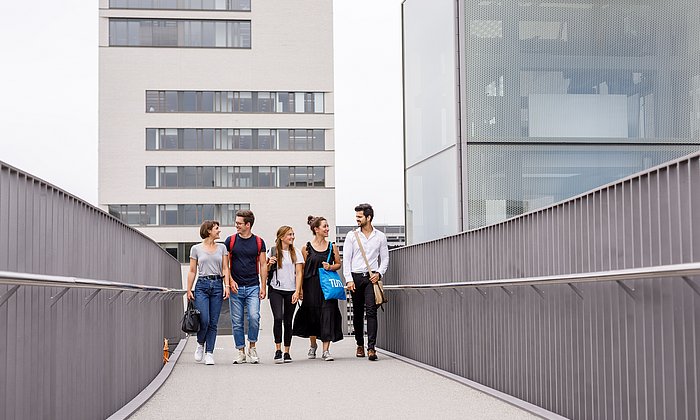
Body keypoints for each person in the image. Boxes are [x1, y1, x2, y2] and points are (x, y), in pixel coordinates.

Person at [292, 215, 343, 361]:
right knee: (312, 316)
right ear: (316, 229)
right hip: (311, 286)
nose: (327, 229)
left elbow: (338, 264)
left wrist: (331, 266)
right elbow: (300, 271)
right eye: (324, 226)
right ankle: (313, 345)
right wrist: (300, 289)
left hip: (327, 287)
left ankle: (326, 350)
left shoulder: (332, 246)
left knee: (327, 315)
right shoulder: (306, 248)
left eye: (327, 226)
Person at [343, 203, 389, 361]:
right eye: (356, 216)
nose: (357, 219)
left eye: (359, 216)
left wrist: (379, 273)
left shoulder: (380, 237)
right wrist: (348, 279)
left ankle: (372, 348)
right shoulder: (352, 236)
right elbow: (346, 259)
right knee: (357, 313)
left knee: (371, 311)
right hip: (355, 278)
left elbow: (385, 259)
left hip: (371, 279)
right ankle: (359, 345)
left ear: (368, 218)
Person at [224, 210, 268, 364]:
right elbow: (225, 265)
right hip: (236, 286)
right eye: (236, 223)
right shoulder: (230, 241)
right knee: (237, 321)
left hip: (253, 286)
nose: (236, 225)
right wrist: (230, 281)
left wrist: (264, 286)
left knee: (254, 317)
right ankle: (240, 351)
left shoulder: (259, 242)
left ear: (248, 225)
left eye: (239, 223)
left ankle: (252, 347)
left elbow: (263, 264)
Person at [186, 220, 230, 365]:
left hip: (217, 285)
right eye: (217, 228)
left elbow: (225, 268)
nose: (219, 231)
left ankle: (209, 353)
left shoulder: (222, 248)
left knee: (213, 322)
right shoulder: (196, 249)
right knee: (204, 319)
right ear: (209, 230)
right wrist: (189, 289)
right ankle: (200, 343)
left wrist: (227, 285)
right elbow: (192, 270)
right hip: (202, 285)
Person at [265, 226, 303, 363]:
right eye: (289, 235)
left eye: (293, 234)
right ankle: (278, 349)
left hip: (291, 290)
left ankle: (287, 351)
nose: (292, 237)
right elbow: (265, 270)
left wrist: (297, 291)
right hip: (275, 289)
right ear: (281, 237)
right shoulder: (273, 251)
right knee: (277, 318)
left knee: (288, 321)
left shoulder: (296, 252)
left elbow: (299, 273)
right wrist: (269, 264)